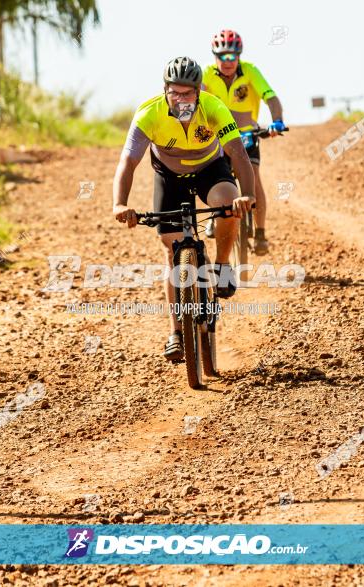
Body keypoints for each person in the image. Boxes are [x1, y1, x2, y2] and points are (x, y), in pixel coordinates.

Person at [112, 56, 256, 361]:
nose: (181, 99)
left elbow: (239, 155)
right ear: (165, 90)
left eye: (187, 93)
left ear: (198, 91)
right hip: (169, 175)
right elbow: (128, 162)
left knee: (229, 204)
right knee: (171, 251)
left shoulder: (214, 108)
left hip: (210, 168)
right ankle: (176, 332)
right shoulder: (148, 114)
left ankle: (223, 265)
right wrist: (120, 203)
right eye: (174, 92)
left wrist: (248, 195)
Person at [201, 29, 285, 256]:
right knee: (213, 175)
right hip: (219, 137)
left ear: (239, 55)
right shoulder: (206, 74)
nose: (227, 61)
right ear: (214, 56)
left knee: (254, 175)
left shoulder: (250, 71)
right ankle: (215, 215)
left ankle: (260, 232)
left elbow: (271, 97)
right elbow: (197, 99)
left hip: (247, 135)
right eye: (222, 56)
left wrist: (277, 121)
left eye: (232, 56)